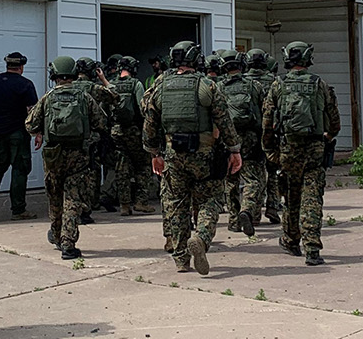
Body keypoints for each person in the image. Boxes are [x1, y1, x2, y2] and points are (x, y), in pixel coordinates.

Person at [142, 39, 241, 275]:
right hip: (205, 155)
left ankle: (181, 259)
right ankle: (202, 238)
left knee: (176, 204)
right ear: (196, 59)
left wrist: (154, 153)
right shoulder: (206, 85)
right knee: (210, 200)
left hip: (173, 155)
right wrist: (234, 150)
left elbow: (149, 121)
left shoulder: (160, 85)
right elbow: (224, 120)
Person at [261, 41, 340, 264]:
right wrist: (328, 136)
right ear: (307, 58)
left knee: (291, 197)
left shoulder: (278, 85)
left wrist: (270, 150)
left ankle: (290, 240)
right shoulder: (319, 84)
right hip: (314, 149)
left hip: (288, 149)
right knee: (312, 199)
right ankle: (312, 249)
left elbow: (267, 122)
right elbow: (334, 121)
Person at [25, 57, 104, 262]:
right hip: (79, 154)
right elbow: (101, 121)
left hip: (53, 155)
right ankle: (68, 244)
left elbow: (30, 125)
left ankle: (57, 234)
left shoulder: (47, 98)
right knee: (72, 199)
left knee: (54, 195)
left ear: (54, 75)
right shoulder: (84, 97)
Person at [0, 52, 39, 221]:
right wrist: (37, 132)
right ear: (21, 67)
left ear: (7, 65)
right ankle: (18, 210)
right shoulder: (26, 84)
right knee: (20, 170)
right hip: (19, 133)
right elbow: (32, 111)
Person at [221, 50, 268, 237]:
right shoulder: (254, 86)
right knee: (253, 179)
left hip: (228, 139)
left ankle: (233, 220)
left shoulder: (218, 87)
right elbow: (265, 112)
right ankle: (247, 210)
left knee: (230, 180)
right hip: (251, 138)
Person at [74, 57, 118, 219]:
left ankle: (75, 203)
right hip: (91, 137)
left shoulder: (68, 86)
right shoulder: (94, 88)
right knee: (92, 169)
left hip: (72, 137)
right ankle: (91, 203)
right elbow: (115, 96)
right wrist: (104, 80)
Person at [110, 55, 154, 215]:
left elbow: (104, 109)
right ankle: (141, 202)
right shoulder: (136, 84)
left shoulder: (112, 85)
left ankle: (124, 205)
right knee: (143, 166)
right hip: (134, 131)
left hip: (116, 131)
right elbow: (143, 108)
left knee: (122, 168)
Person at [246, 49, 282, 223]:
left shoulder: (244, 81)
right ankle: (273, 207)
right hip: (271, 132)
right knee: (273, 171)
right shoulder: (275, 81)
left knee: (255, 174)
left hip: (250, 133)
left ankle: (254, 213)